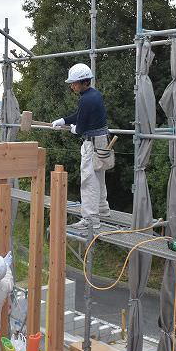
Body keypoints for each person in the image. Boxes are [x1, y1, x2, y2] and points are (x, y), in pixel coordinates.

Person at [52, 63, 110, 232]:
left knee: (88, 180)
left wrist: (74, 129)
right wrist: (64, 120)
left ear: (85, 82)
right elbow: (80, 116)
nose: (72, 86)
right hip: (101, 141)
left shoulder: (86, 99)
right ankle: (102, 209)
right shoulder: (94, 95)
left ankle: (91, 219)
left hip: (91, 143)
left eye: (75, 83)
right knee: (99, 176)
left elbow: (80, 128)